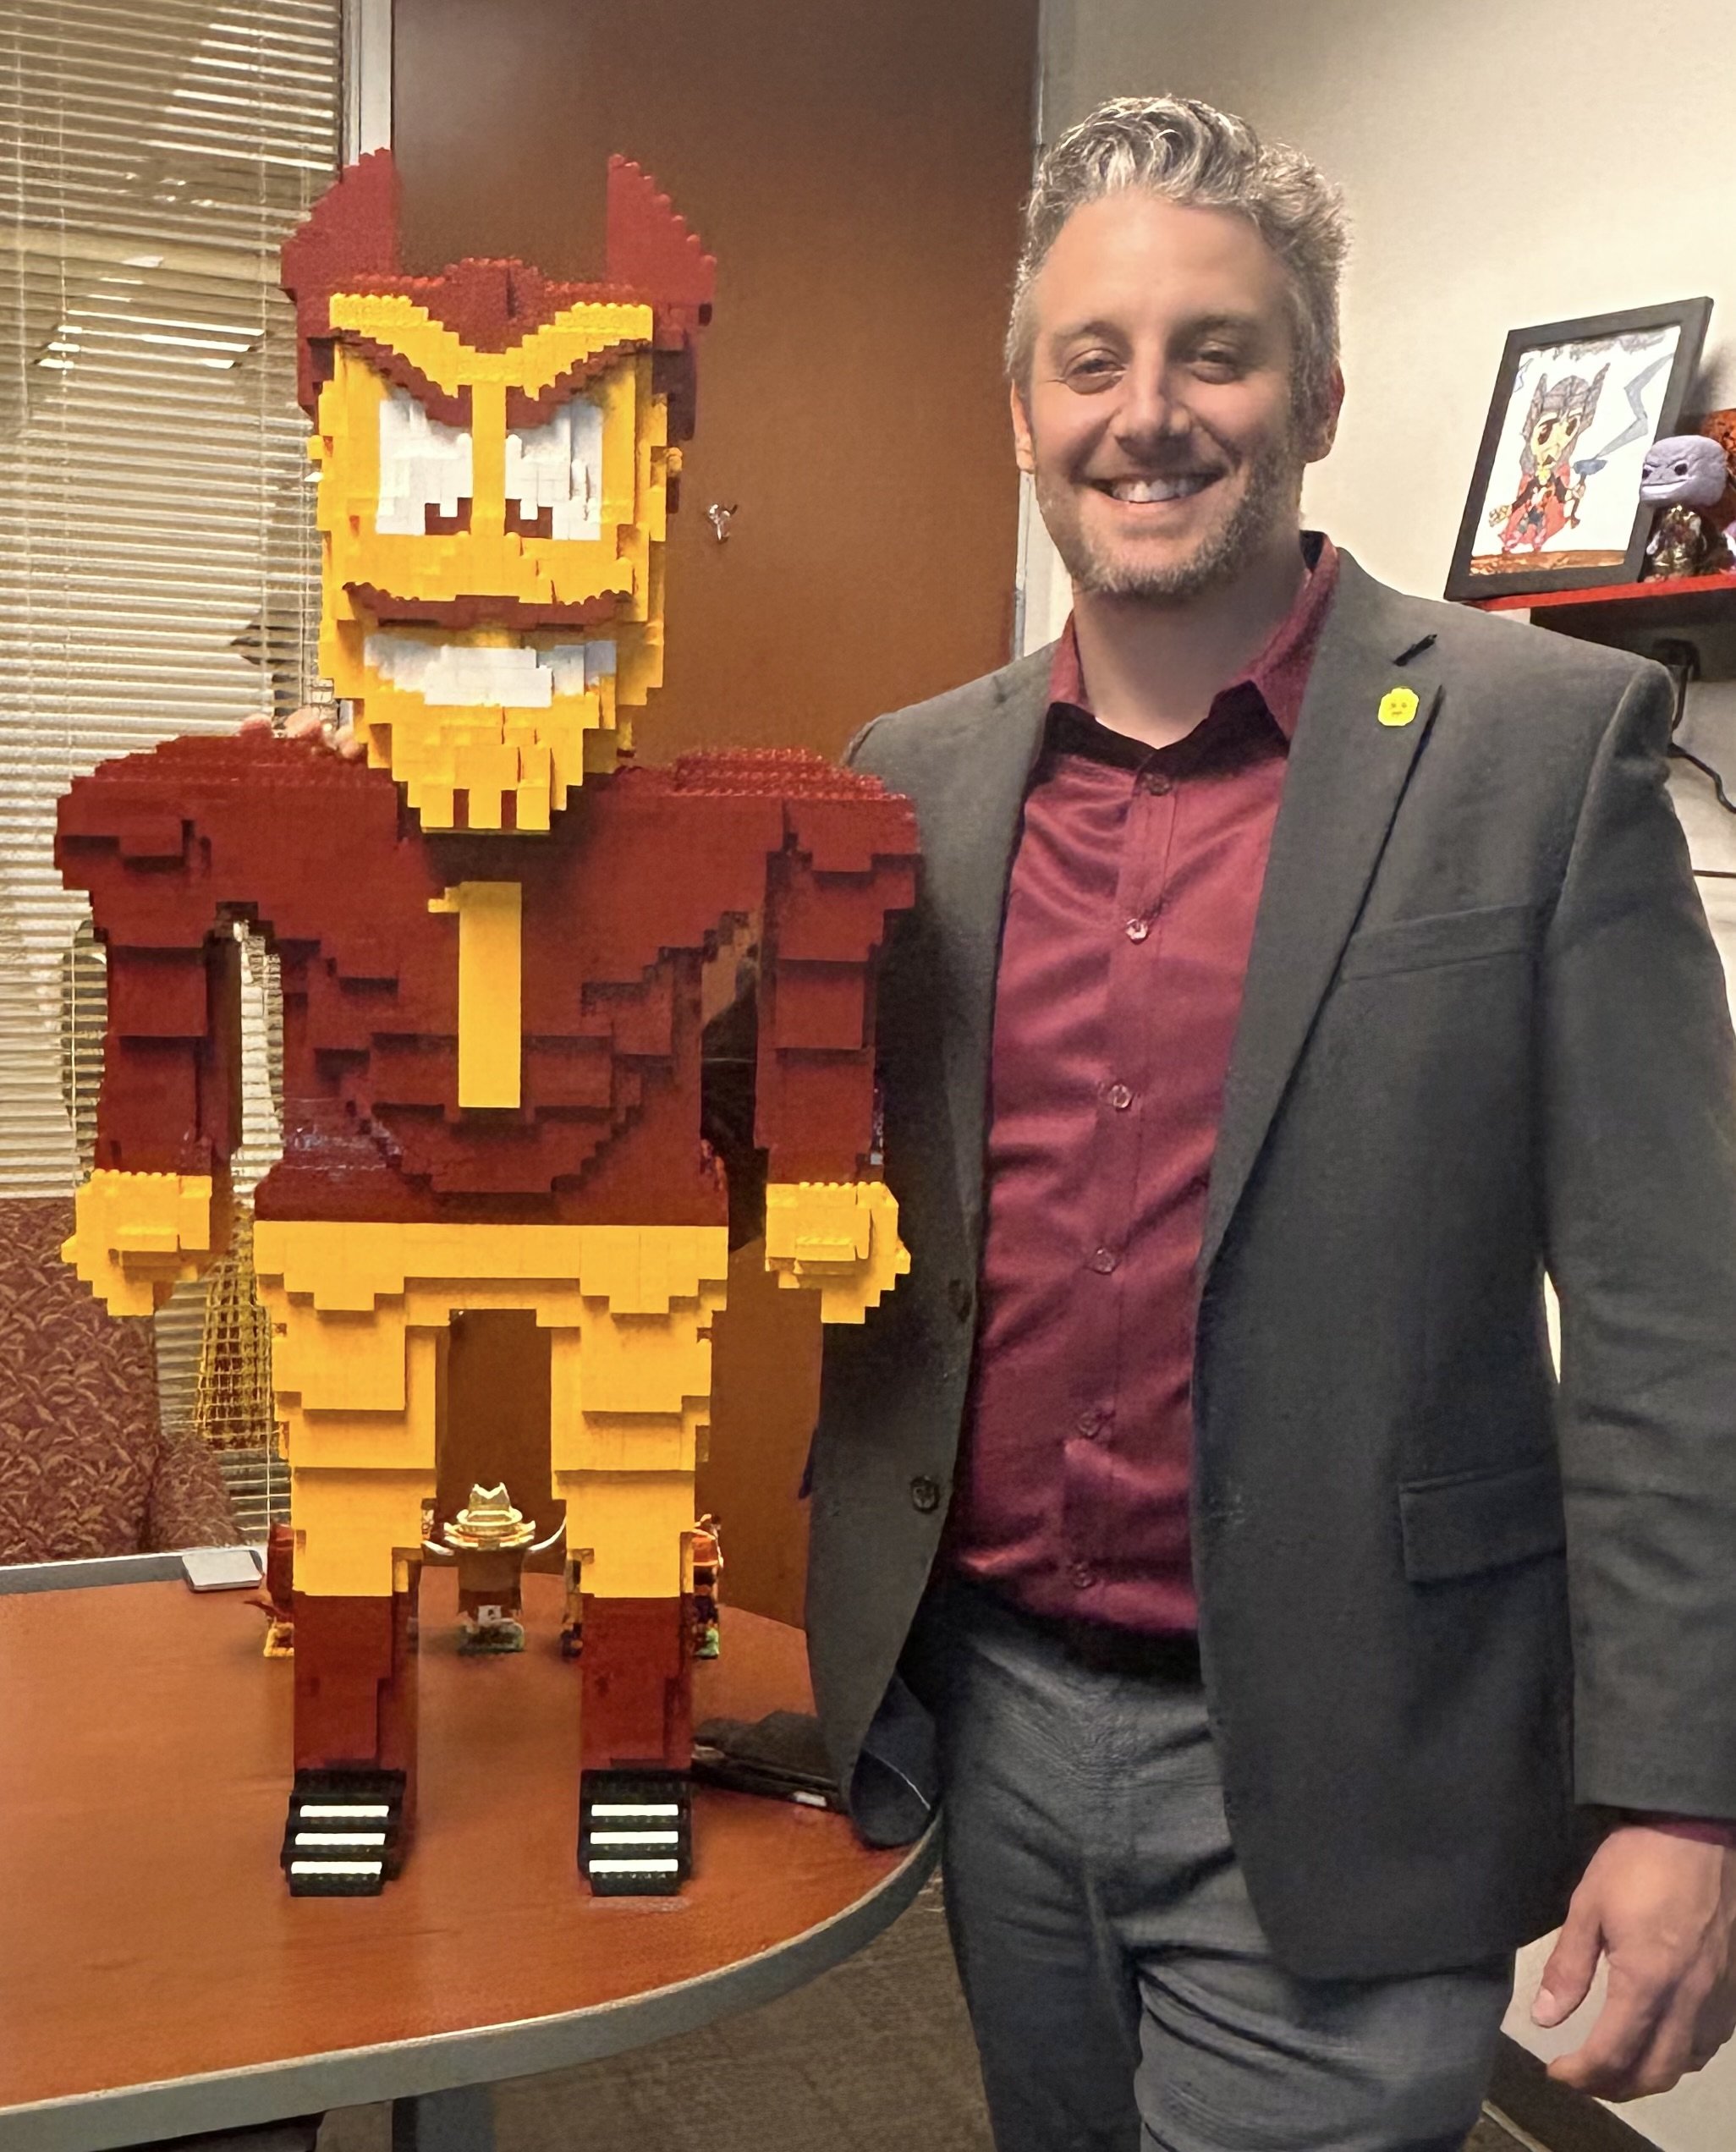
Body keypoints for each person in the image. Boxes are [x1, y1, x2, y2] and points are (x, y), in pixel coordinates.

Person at [802, 94, 1736, 2151]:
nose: (1149, 414)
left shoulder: (1541, 750)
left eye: (1213, 352)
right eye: (1093, 360)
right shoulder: (909, 781)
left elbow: (1676, 1317)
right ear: (1023, 414)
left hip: (1358, 1739)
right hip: (996, 1718)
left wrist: (1685, 1790)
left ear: (1316, 392)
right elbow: (780, 1147)